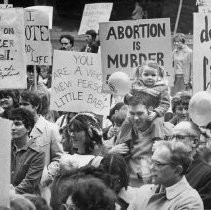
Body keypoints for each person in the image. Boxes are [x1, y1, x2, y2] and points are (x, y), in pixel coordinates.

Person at [117, 92, 173, 187]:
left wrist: (166, 149)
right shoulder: (126, 131)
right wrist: (112, 152)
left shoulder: (168, 133)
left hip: (156, 190)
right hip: (130, 189)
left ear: (150, 111)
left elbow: (179, 162)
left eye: (140, 113)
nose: (135, 118)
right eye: (132, 113)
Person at [128, 140, 204, 210]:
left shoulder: (190, 201)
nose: (151, 167)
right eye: (152, 162)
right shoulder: (143, 191)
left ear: (178, 170)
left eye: (158, 164)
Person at [19, 90, 64, 201]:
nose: (21, 107)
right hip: (18, 186)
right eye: (20, 104)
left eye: (25, 104)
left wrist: (47, 176)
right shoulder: (16, 128)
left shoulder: (51, 128)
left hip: (39, 189)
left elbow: (59, 158)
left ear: (36, 106)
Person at [172, 121, 211, 209]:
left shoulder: (207, 174)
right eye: (172, 137)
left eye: (179, 137)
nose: (173, 142)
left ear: (194, 142)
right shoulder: (169, 166)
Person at [10, 108, 45, 194]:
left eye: (17, 124)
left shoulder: (38, 153)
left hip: (24, 202)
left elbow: (30, 183)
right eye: (10, 124)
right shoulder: (4, 146)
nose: (12, 128)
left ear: (28, 128)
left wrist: (11, 193)